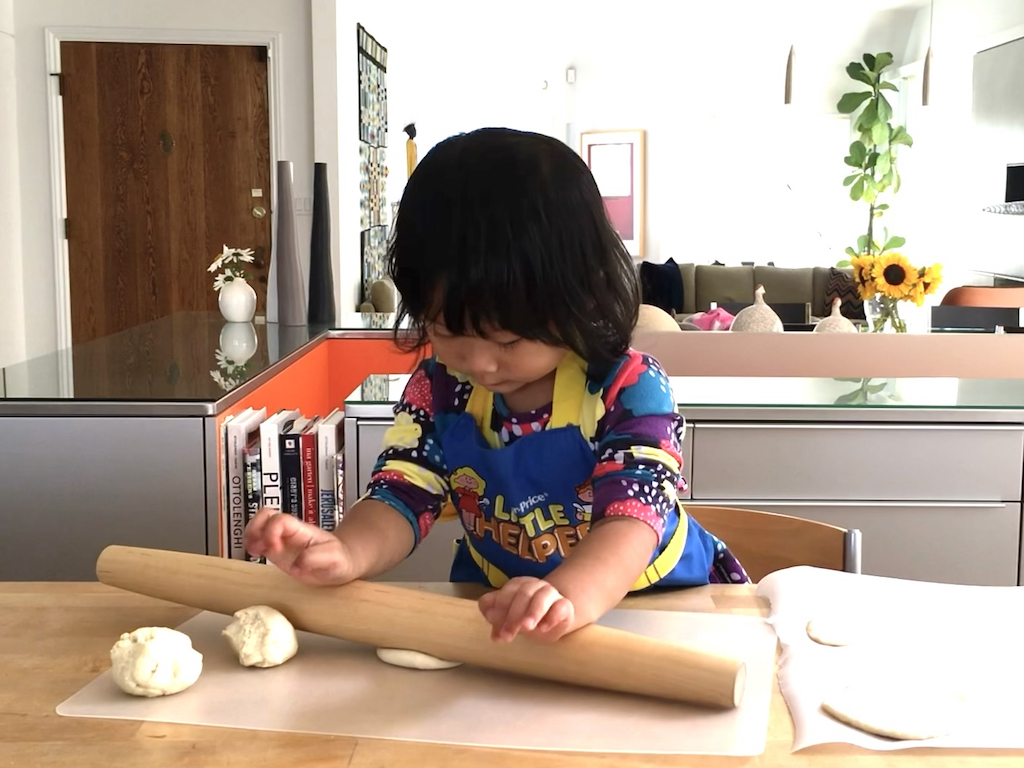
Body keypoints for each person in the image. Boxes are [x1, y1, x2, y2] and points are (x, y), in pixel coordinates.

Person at [244, 127, 748, 646]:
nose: (480, 363)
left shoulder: (627, 387)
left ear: (581, 297)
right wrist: (347, 550)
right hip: (511, 613)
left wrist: (568, 595)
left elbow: (632, 518)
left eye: (508, 341)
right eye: (449, 333)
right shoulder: (440, 389)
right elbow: (401, 493)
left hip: (656, 607)